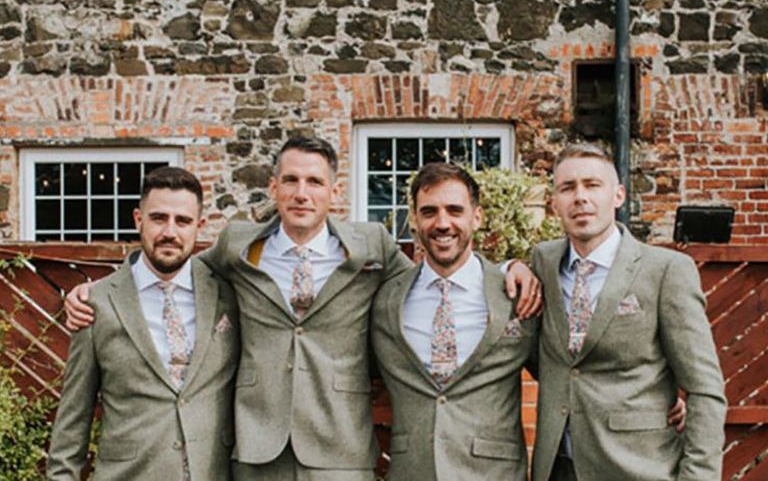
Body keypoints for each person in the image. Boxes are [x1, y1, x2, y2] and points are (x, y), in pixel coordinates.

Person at [64, 137, 542, 481]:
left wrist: (509, 268)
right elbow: (173, 266)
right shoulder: (236, 245)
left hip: (340, 444)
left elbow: (436, 271)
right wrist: (97, 290)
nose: (301, 192)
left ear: (334, 192)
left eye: (314, 181)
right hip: (256, 444)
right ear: (273, 188)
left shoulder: (370, 246)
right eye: (290, 180)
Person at [531, 143, 726, 481]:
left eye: (593, 185)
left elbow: (706, 390)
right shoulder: (542, 263)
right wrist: (509, 268)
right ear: (554, 204)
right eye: (567, 188)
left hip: (639, 468)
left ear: (618, 195)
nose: (580, 197)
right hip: (559, 469)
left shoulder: (665, 271)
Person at [47, 167, 239, 481]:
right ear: (139, 219)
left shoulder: (229, 294)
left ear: (200, 226)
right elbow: (73, 419)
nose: (170, 232)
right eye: (159, 218)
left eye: (183, 221)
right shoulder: (97, 303)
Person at [371, 162, 537, 481]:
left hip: (494, 473)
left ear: (477, 216)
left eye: (455, 210)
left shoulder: (515, 296)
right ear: (415, 220)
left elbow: (561, 374)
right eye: (429, 211)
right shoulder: (386, 300)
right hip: (412, 471)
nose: (442, 223)